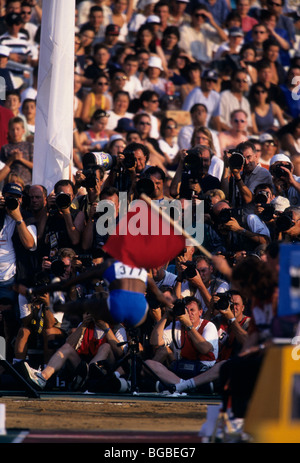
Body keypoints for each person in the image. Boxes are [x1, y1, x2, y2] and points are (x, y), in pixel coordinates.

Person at [145, 296, 219, 386]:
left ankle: (176, 385)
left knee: (222, 365)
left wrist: (188, 325)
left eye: (192, 310)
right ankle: (186, 385)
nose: (189, 313)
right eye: (186, 310)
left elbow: (205, 349)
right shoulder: (176, 324)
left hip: (202, 371)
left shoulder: (208, 325)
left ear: (200, 312)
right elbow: (155, 342)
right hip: (180, 370)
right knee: (149, 364)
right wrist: (165, 316)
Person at [0, 182, 37, 361]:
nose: (12, 201)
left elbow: (30, 244)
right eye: (9, 198)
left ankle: (5, 364)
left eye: (16, 198)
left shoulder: (26, 217)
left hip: (10, 279)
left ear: (22, 200)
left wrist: (18, 218)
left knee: (8, 324)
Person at [221, 140, 273, 217]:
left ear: (256, 156)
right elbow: (225, 194)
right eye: (243, 158)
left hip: (253, 218)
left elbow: (248, 199)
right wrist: (226, 166)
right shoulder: (240, 174)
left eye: (249, 157)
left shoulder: (263, 173)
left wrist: (237, 177)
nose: (246, 162)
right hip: (237, 216)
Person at [0, 116, 33, 185]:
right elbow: (2, 171)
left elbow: (35, 166)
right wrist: (12, 159)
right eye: (12, 129)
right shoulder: (5, 148)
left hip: (26, 183)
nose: (15, 132)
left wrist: (20, 159)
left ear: (23, 130)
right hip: (10, 183)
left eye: (18, 129)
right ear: (9, 131)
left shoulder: (29, 146)